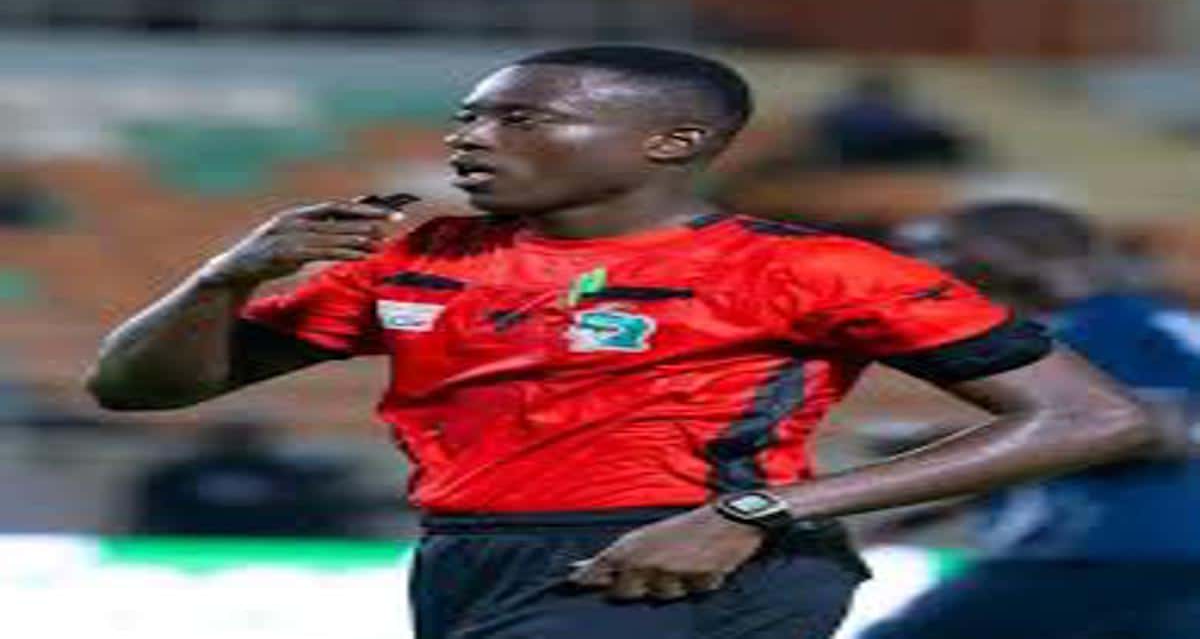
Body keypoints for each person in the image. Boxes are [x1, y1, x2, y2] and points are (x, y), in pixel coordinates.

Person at [86, 46, 1160, 639]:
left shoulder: (808, 267)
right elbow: (140, 391)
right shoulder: (426, 258)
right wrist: (227, 276)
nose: (472, 138)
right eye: (471, 116)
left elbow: (1095, 418)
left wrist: (752, 510)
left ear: (673, 141)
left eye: (523, 118)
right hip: (468, 560)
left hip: (681, 560)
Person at [862, 202, 1200, 639]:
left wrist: (960, 441)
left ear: (1015, 253)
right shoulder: (1103, 324)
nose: (932, 265)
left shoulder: (1115, 326)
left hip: (1117, 559)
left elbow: (1174, 426)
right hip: (1110, 559)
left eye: (946, 248)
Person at [131, 420, 366, 537]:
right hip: (190, 552)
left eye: (246, 434)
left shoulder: (292, 476)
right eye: (231, 433)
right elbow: (148, 519)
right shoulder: (176, 475)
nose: (239, 441)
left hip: (279, 555)